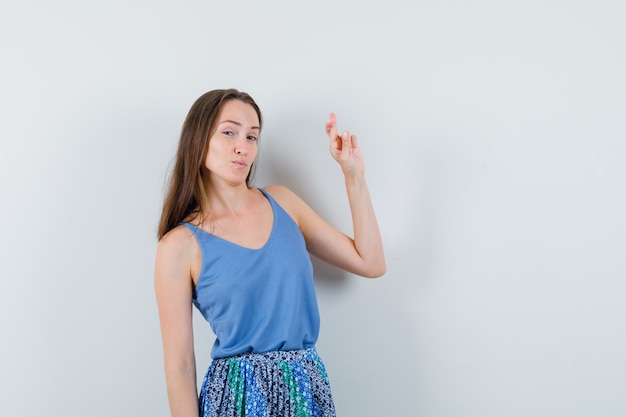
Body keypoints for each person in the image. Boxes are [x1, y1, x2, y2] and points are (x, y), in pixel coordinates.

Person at [154, 88, 385, 417]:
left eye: (252, 137)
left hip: (305, 388)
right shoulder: (178, 246)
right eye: (229, 132)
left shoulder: (284, 203)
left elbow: (371, 262)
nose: (242, 147)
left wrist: (353, 175)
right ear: (198, 139)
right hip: (236, 398)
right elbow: (179, 366)